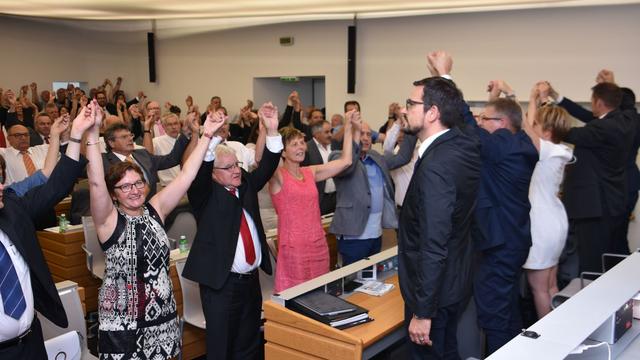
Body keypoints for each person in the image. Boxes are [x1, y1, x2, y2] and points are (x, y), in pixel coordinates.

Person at [85, 99, 224, 359]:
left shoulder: (154, 209)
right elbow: (94, 182)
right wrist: (92, 133)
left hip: (162, 314)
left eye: (138, 183)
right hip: (123, 321)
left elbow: (186, 176)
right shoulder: (108, 220)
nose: (134, 190)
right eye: (125, 186)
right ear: (113, 194)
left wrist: (206, 134)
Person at [427, 51, 537, 354]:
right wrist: (498, 95)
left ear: (501, 123)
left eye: (485, 118)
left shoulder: (502, 145)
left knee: (494, 317)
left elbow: (467, 126)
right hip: (512, 240)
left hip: (499, 245)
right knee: (508, 310)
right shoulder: (521, 143)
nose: (479, 122)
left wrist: (445, 76)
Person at [182, 102, 282, 360]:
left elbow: (268, 167)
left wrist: (272, 131)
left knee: (249, 344)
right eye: (228, 168)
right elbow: (199, 171)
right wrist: (210, 136)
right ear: (214, 174)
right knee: (221, 348)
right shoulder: (203, 194)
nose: (236, 170)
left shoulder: (245, 184)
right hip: (221, 286)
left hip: (250, 282)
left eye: (236, 164)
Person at [398, 75, 481, 359]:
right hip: (455, 280)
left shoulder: (437, 165)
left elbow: (434, 242)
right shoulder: (462, 145)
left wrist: (423, 312)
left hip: (434, 292)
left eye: (411, 104)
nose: (404, 109)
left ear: (432, 113)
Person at [0, 107, 88, 359]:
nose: (2, 186)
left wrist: (75, 136)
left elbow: (55, 184)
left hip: (31, 342)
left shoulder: (12, 207)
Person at [542, 79, 636, 271]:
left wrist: (543, 105)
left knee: (592, 263)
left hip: (595, 207)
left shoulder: (601, 128)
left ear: (598, 103)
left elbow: (564, 133)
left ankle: (596, 298)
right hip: (614, 202)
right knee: (611, 256)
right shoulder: (626, 122)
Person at [269, 112, 356, 293]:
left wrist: (348, 127)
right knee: (297, 298)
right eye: (294, 144)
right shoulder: (278, 176)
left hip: (317, 244)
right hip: (294, 248)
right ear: (283, 151)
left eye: (302, 142)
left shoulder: (310, 171)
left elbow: (346, 161)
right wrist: (269, 131)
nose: (300, 147)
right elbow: (262, 160)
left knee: (319, 295)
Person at [329, 119, 416, 265]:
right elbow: (349, 165)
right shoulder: (338, 157)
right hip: (353, 235)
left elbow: (402, 157)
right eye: (361, 133)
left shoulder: (375, 157)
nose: (365, 138)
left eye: (369, 135)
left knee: (371, 280)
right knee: (353, 282)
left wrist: (412, 128)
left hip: (376, 233)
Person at [520, 83, 573, 319]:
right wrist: (534, 99)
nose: (534, 127)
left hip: (542, 223)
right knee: (551, 285)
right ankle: (560, 332)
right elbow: (531, 126)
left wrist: (513, 98)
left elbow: (524, 128)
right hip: (555, 220)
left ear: (548, 131)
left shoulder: (548, 149)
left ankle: (550, 344)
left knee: (539, 289)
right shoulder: (560, 149)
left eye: (539, 125)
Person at [301, 120, 343, 214]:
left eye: (331, 131)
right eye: (326, 132)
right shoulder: (307, 148)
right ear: (316, 134)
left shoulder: (334, 146)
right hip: (319, 199)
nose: (330, 135)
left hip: (336, 196)